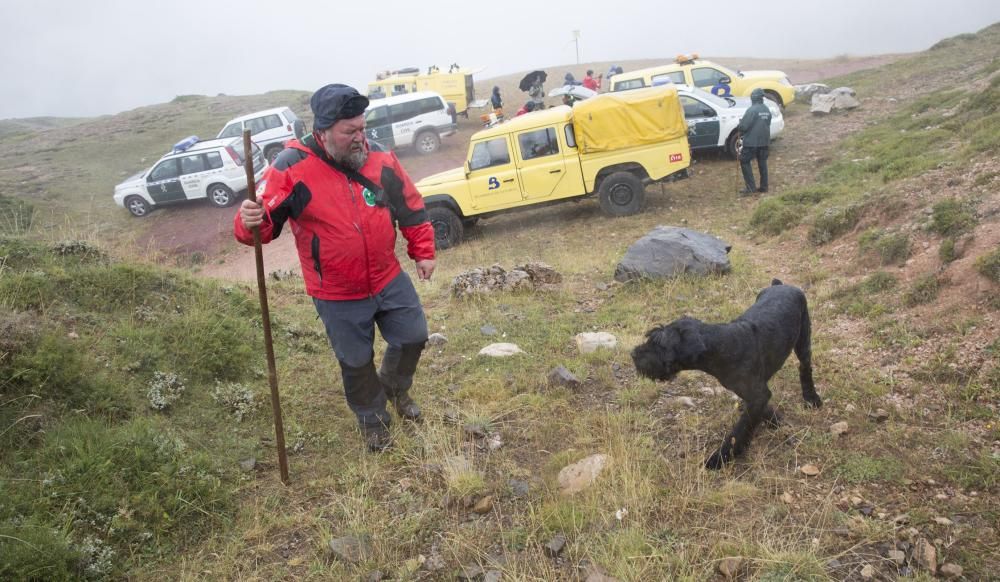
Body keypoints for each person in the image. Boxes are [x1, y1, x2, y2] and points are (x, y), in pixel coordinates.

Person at [233, 84, 436, 452]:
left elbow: (410, 205)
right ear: (322, 131)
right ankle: (372, 420)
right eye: (350, 132)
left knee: (413, 337)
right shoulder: (290, 168)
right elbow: (262, 229)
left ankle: (393, 387)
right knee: (356, 362)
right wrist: (248, 221)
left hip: (388, 276)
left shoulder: (380, 158)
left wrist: (423, 250)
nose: (361, 138)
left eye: (362, 128)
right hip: (336, 291)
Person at [737, 88, 773, 195]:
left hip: (752, 143)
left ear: (753, 98)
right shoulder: (766, 109)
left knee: (744, 161)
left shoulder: (751, 110)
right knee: (762, 163)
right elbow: (767, 123)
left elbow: (743, 126)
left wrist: (740, 126)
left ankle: (750, 188)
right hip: (765, 142)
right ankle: (764, 186)